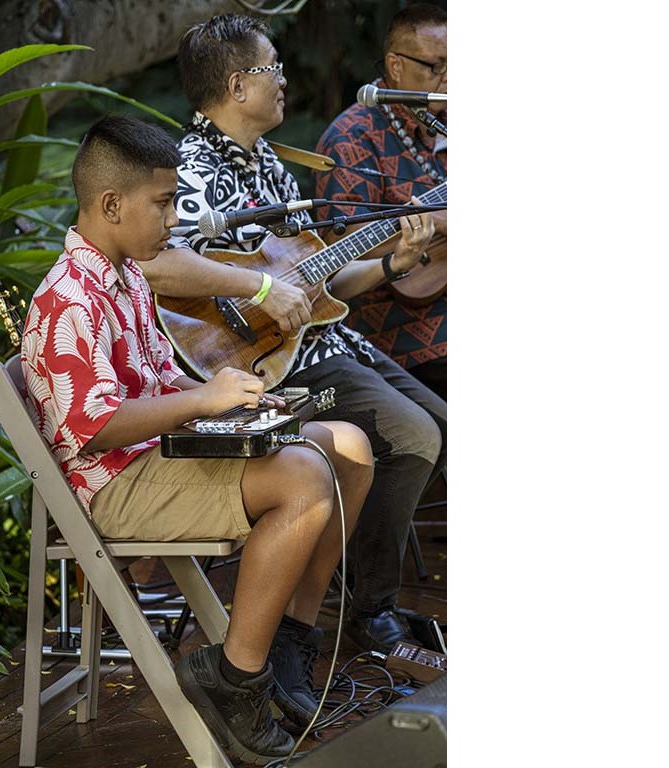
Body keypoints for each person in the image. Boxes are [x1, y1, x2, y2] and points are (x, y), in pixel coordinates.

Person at [20, 115, 374, 765]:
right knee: (303, 477)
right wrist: (204, 402)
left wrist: (231, 396)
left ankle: (286, 644)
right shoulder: (68, 298)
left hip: (160, 458)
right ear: (111, 205)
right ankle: (236, 677)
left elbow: (161, 377)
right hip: (116, 486)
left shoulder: (125, 276)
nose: (174, 221)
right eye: (162, 204)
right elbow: (94, 427)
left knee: (346, 446)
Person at [138, 14, 447, 670]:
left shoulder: (270, 165)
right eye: (272, 68)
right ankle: (367, 611)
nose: (283, 80)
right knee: (413, 435)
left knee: (441, 427)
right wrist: (257, 289)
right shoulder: (190, 169)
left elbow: (319, 279)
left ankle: (342, 589)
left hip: (319, 340)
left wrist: (395, 261)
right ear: (236, 85)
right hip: (258, 360)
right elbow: (158, 264)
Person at [314, 3, 448, 400]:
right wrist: (437, 221)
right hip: (402, 330)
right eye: (436, 66)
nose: (450, 78)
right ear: (395, 66)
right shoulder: (351, 139)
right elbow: (342, 246)